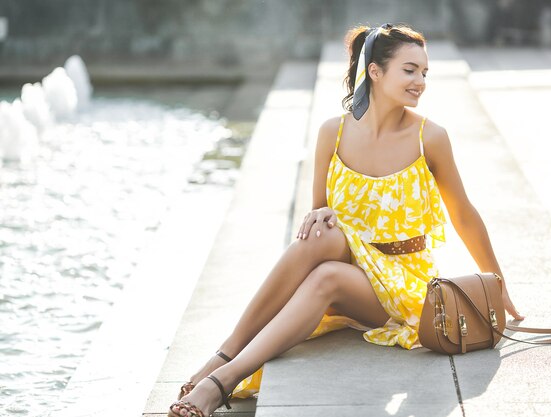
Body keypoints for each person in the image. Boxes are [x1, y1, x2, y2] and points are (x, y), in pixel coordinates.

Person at [167, 22, 525, 417]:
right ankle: (225, 353)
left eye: (424, 72)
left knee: (327, 276)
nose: (420, 81)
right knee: (320, 231)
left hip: (403, 282)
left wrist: (498, 285)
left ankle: (222, 378)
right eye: (409, 70)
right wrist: (320, 213)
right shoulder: (332, 134)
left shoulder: (430, 137)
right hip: (351, 263)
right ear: (375, 71)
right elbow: (319, 215)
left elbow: (463, 214)